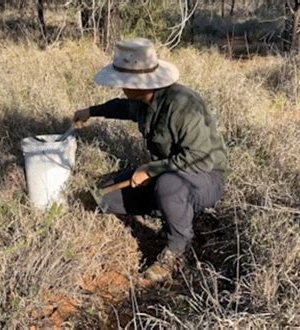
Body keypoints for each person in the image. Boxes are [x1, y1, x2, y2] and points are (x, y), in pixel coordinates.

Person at [73, 38, 230, 282]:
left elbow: (201, 159)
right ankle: (169, 207)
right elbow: (123, 108)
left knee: (169, 186)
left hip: (205, 178)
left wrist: (151, 169)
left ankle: (177, 250)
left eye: (123, 81)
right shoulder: (142, 100)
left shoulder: (183, 106)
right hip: (166, 174)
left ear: (139, 82)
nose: (120, 86)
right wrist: (91, 111)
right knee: (103, 198)